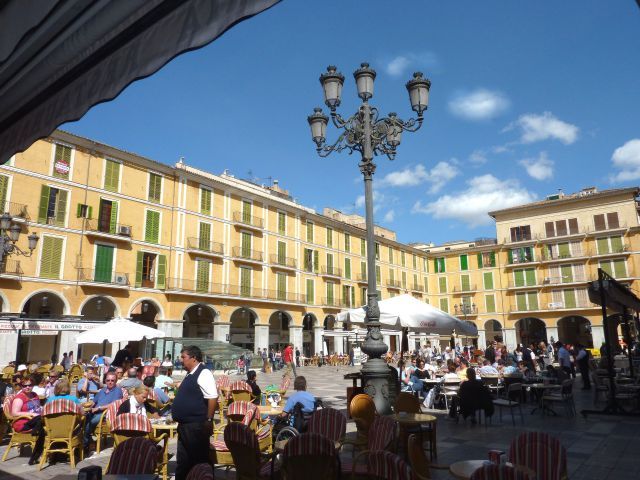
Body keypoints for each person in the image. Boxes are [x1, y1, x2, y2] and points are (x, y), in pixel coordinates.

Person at [171, 345, 218, 480]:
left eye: (183, 357)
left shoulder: (204, 373)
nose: (181, 360)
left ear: (194, 358)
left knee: (199, 459)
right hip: (185, 426)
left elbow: (212, 397)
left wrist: (209, 420)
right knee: (184, 460)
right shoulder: (190, 373)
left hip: (195, 426)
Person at [84, 371, 124, 448]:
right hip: (95, 411)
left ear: (115, 381)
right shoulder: (102, 390)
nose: (110, 382)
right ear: (105, 381)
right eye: (108, 380)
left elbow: (114, 404)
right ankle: (88, 441)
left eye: (112, 381)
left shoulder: (117, 390)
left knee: (90, 422)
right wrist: (89, 407)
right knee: (81, 419)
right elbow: (94, 401)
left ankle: (85, 444)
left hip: (106, 413)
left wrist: (98, 408)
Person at [10, 376, 45, 464]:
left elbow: (38, 408)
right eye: (24, 385)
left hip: (35, 422)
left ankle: (51, 453)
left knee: (48, 424)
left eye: (30, 385)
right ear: (21, 386)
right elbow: (14, 413)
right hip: (23, 423)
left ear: (33, 385)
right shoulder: (19, 398)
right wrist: (30, 414)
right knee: (43, 428)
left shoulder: (34, 395)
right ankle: (40, 455)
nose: (27, 387)